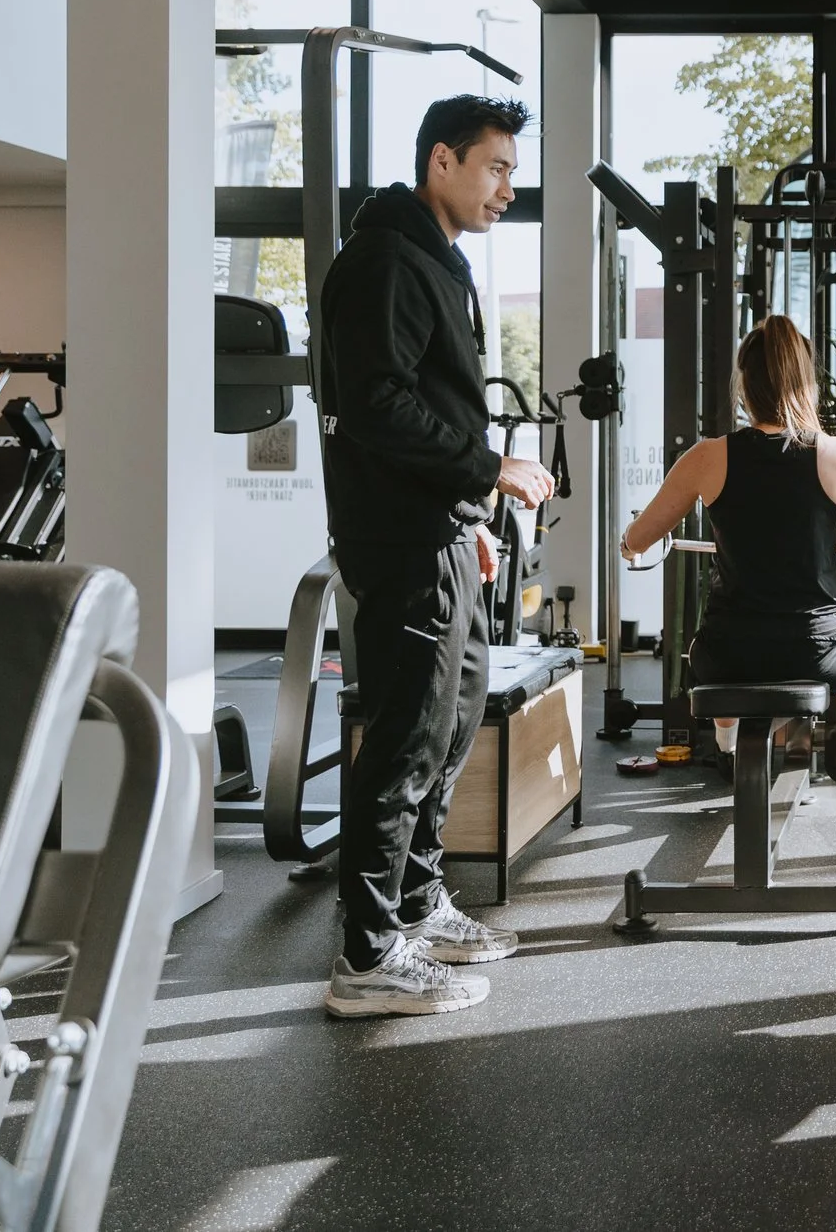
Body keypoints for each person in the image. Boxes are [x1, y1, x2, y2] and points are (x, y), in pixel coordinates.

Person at [317, 92, 556, 1019]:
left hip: (440, 528)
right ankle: (367, 952)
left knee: (452, 725)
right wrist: (491, 469)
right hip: (400, 534)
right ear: (442, 161)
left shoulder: (431, 259)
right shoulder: (384, 259)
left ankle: (414, 906)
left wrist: (471, 517)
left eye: (512, 173)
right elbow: (380, 406)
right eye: (495, 168)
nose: (506, 188)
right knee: (405, 736)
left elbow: (429, 400)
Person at [620, 315, 836, 777]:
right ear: (805, 385)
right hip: (816, 651)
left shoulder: (707, 457)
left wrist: (628, 546)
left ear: (745, 388)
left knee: (711, 642)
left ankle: (728, 744)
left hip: (727, 655)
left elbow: (639, 537)